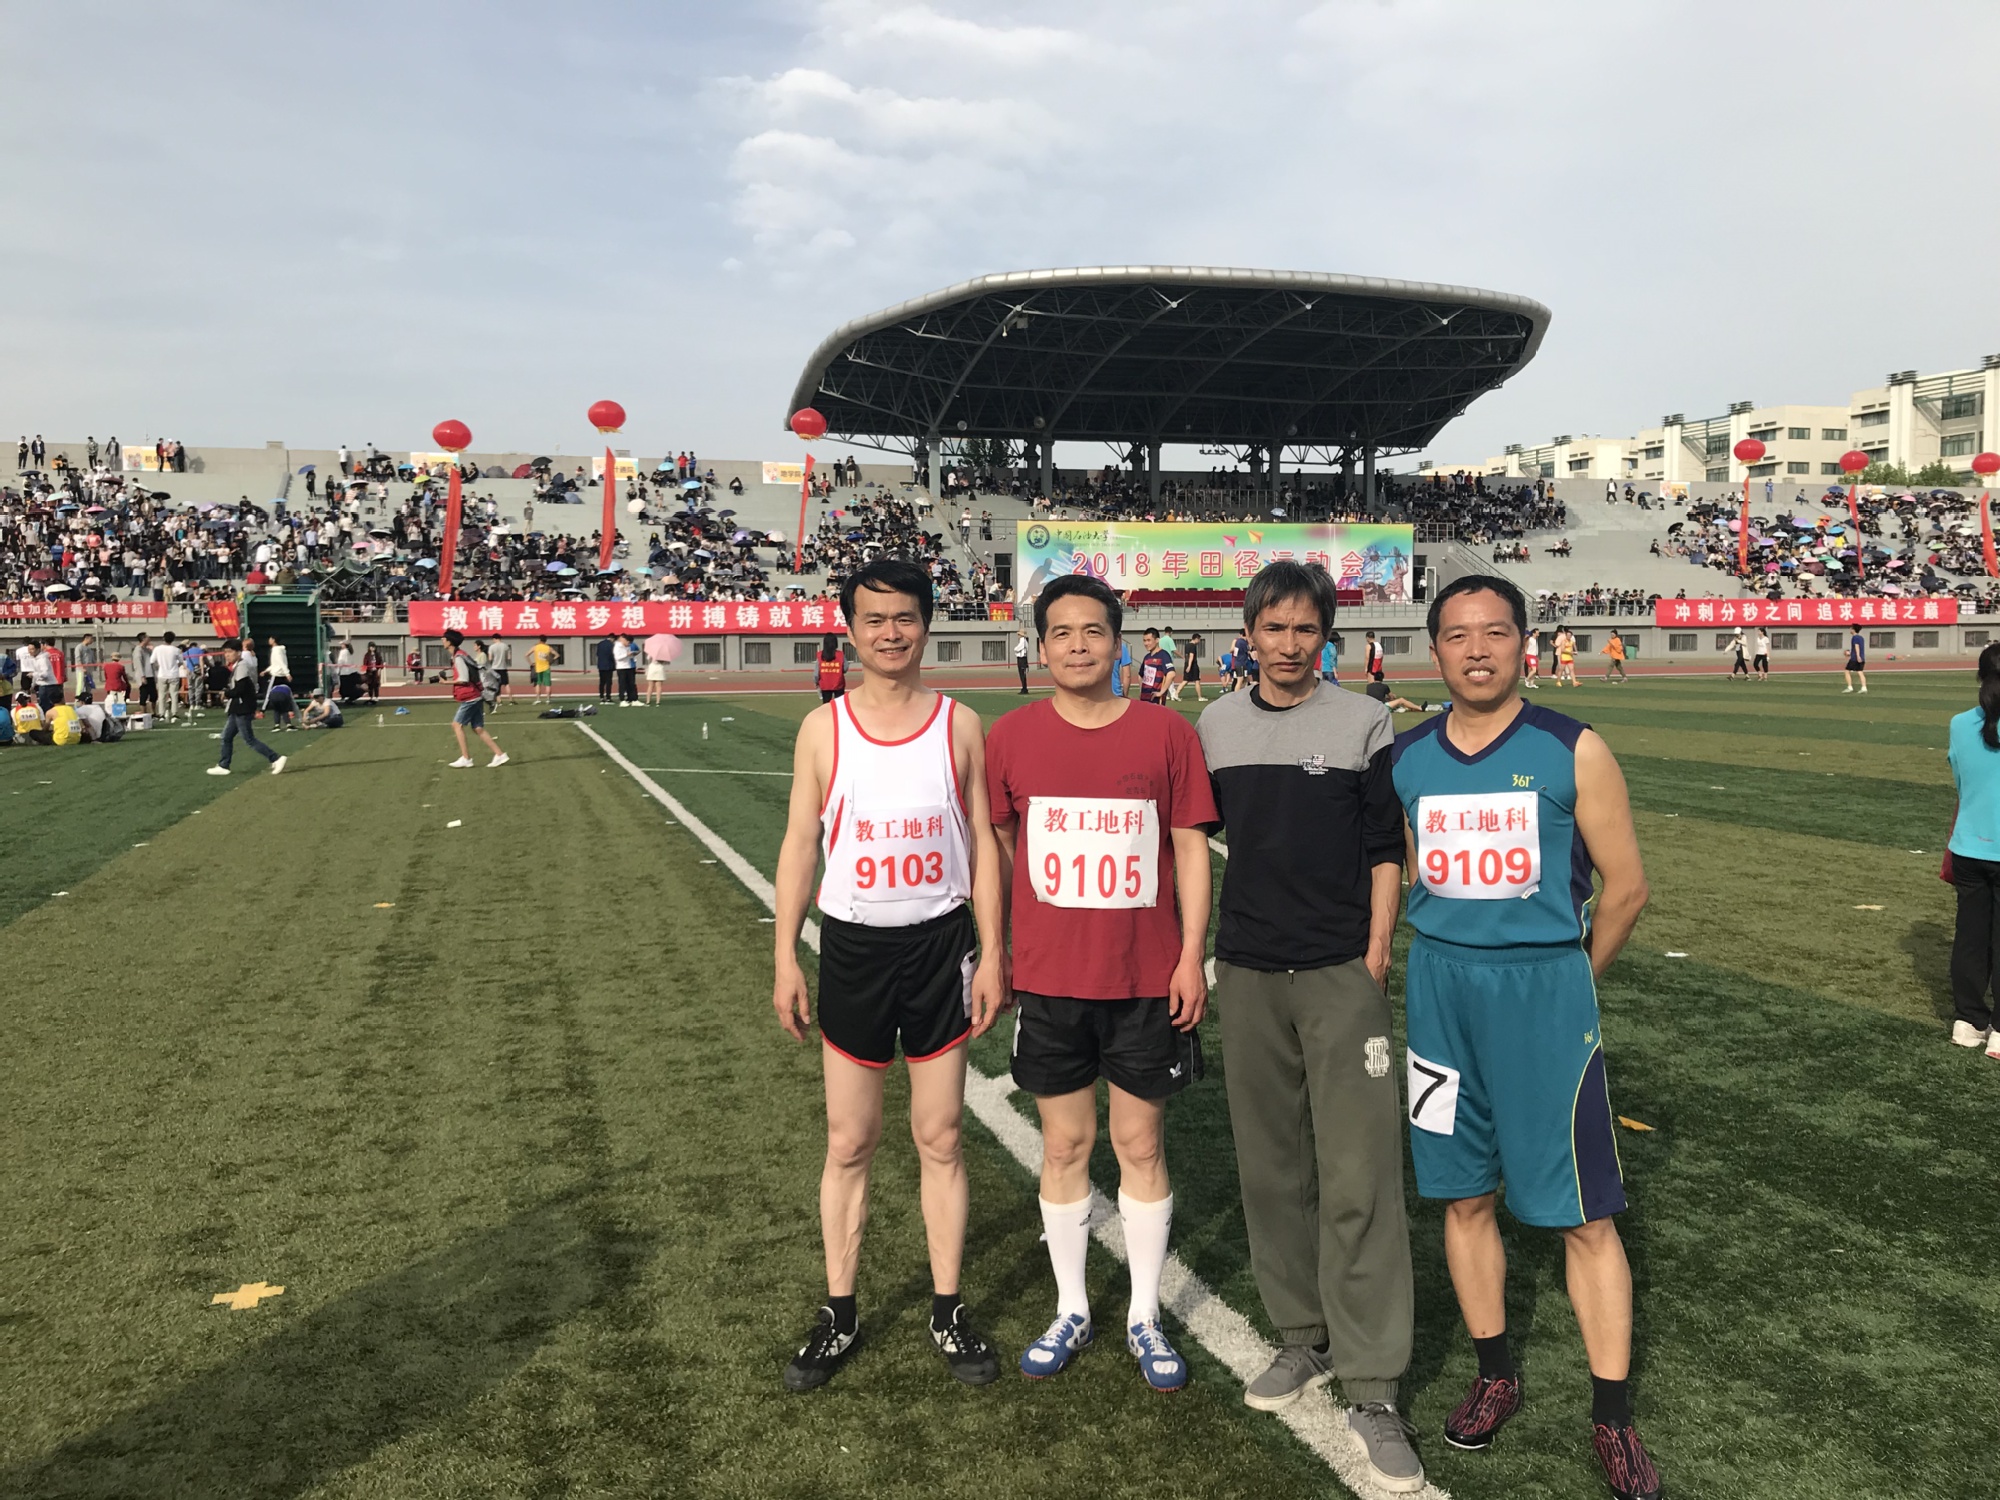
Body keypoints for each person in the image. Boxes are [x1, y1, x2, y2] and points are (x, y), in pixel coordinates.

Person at [1391, 574, 1659, 1500]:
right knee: (1461, 1195)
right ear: (1435, 650)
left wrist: (1570, 978)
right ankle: (1495, 1373)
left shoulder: (1571, 748)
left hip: (1544, 993)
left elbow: (1626, 888)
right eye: (1458, 635)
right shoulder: (1407, 757)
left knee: (1584, 1214)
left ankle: (1612, 1419)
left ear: (1524, 644)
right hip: (1439, 994)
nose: (1477, 650)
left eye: (1495, 632)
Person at [1195, 562, 1422, 1492]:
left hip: (1338, 973)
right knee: (1271, 1167)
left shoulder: (1364, 721)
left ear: (1327, 638)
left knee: (1360, 1173)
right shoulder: (1214, 725)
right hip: (1249, 971)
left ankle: (1373, 1384)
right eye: (1274, 627)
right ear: (1247, 634)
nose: (1289, 644)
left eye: (1305, 629)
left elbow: (1383, 846)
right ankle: (1302, 1336)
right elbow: (1196, 846)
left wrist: (1376, 948)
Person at [771, 558, 1006, 1393]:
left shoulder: (960, 724)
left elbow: (985, 846)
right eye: (874, 619)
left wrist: (995, 952)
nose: (891, 632)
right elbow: (800, 843)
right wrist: (785, 956)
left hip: (941, 949)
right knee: (849, 1141)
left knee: (940, 1137)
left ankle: (947, 1308)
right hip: (855, 950)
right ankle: (839, 1312)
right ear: (851, 629)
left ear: (927, 624)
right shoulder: (823, 728)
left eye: (905, 617)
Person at [985, 573, 1216, 1393]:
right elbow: (998, 850)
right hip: (1050, 981)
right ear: (1040, 645)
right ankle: (1072, 1306)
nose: (1078, 645)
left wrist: (1190, 955)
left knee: (1141, 1146)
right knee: (1064, 1146)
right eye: (1062, 632)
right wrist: (1000, 949)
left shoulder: (1166, 733)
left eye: (1093, 631)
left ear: (1118, 643)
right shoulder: (1010, 736)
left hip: (1144, 980)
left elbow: (1190, 847)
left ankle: (1144, 1314)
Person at [1946, 642, 2000, 1057]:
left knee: (1970, 935)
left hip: (1969, 848)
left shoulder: (1960, 724)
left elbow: (1962, 784)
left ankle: (1968, 1020)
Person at [207, 639, 286, 777]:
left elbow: (241, 688)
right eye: (225, 652)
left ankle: (276, 758)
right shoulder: (239, 665)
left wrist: (227, 693)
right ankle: (223, 765)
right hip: (237, 707)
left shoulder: (242, 666)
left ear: (238, 652)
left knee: (249, 739)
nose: (227, 655)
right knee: (226, 736)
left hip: (243, 707)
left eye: (230, 652)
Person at [444, 629, 508, 769]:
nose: (442, 641)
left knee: (456, 725)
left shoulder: (458, 657)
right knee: (478, 728)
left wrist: (445, 682)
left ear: (449, 642)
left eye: (444, 639)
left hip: (470, 696)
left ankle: (466, 758)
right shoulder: (461, 655)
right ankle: (500, 754)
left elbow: (464, 679)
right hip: (476, 695)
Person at [151, 631, 184, 721]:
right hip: (173, 674)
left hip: (162, 674)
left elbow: (152, 661)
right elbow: (181, 661)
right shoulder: (176, 650)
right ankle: (174, 713)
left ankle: (161, 714)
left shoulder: (157, 649)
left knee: (161, 695)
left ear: (163, 638)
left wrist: (158, 668)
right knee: (174, 695)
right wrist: (175, 666)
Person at [1137, 627, 1174, 704]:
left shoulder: (1163, 655)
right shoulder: (1147, 657)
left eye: (1149, 640)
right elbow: (1140, 675)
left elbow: (1171, 674)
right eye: (1144, 640)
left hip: (1156, 700)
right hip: (1144, 699)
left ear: (1157, 640)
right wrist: (1142, 690)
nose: (1146, 643)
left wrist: (1161, 692)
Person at [814, 633, 847, 703]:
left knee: (826, 705)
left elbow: (816, 673)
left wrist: (816, 682)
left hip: (825, 684)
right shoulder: (840, 654)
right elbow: (845, 668)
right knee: (839, 705)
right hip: (839, 684)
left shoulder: (820, 655)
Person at [529, 635, 557, 704]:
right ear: (546, 640)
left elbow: (526, 655)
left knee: (538, 684)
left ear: (539, 640)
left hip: (538, 668)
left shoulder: (535, 647)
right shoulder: (548, 647)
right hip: (546, 668)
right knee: (547, 684)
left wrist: (531, 663)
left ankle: (538, 699)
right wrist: (551, 661)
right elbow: (557, 655)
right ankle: (548, 699)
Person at [643, 636, 670, 705]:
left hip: (652, 667)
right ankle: (658, 701)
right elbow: (665, 661)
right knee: (659, 686)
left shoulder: (651, 651)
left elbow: (648, 659)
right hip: (659, 668)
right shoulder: (664, 652)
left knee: (650, 686)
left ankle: (648, 701)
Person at [1180, 633, 1205, 702]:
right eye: (1199, 639)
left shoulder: (1187, 645)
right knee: (1197, 680)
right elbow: (1191, 656)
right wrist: (1189, 666)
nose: (1199, 641)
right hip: (1192, 665)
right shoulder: (1193, 646)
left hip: (1187, 663)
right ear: (1196, 639)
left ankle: (1176, 694)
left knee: (1185, 680)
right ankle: (1200, 697)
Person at [1843, 624, 1867, 693]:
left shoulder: (1855, 638)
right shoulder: (1861, 638)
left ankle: (1850, 687)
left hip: (1854, 658)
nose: (1850, 630)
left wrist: (1857, 656)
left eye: (1851, 628)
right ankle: (1864, 687)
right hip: (1861, 657)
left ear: (1853, 630)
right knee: (1860, 672)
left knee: (1847, 671)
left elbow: (1857, 647)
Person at [595, 634, 616, 702]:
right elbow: (612, 655)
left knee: (602, 682)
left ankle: (601, 696)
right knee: (608, 682)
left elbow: (597, 654)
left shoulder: (600, 644)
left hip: (601, 665)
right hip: (609, 666)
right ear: (612, 638)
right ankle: (608, 697)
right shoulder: (611, 645)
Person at [1013, 628, 1030, 694]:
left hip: (1022, 658)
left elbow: (1018, 648)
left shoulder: (1023, 640)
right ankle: (1024, 687)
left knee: (1022, 674)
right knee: (1022, 674)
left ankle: (1024, 688)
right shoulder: (1023, 641)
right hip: (1022, 658)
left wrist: (1015, 649)